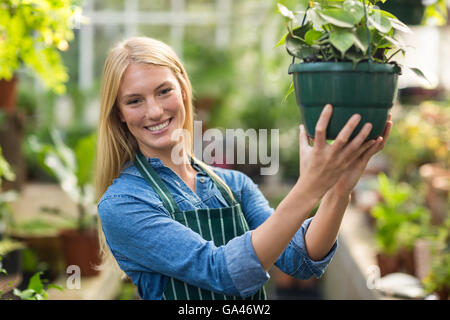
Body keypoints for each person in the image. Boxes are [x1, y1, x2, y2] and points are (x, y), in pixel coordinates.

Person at [95, 36, 392, 300]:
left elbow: (299, 258)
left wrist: (338, 191)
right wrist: (309, 187)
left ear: (183, 89)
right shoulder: (124, 204)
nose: (155, 111)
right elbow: (221, 273)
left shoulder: (233, 185)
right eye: (135, 101)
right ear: (119, 114)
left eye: (163, 91)